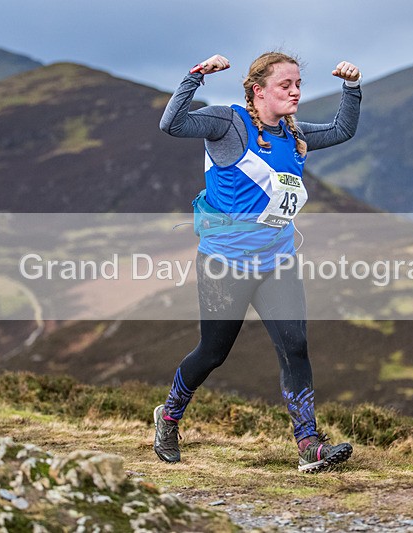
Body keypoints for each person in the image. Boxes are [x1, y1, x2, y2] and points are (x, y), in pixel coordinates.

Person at [155, 51, 361, 472]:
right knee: (213, 353)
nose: (296, 92)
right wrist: (195, 76)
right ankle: (169, 418)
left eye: (298, 84)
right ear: (258, 91)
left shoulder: (294, 132)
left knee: (296, 348)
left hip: (277, 262)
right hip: (224, 264)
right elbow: (171, 124)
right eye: (286, 85)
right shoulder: (228, 123)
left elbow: (342, 129)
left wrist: (352, 87)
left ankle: (308, 445)